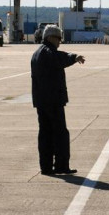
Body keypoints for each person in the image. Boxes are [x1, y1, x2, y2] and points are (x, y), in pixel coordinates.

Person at [30, 24, 85, 175]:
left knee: (45, 134)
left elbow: (58, 56)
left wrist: (71, 57)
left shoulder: (36, 53)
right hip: (52, 101)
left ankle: (46, 167)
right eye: (58, 38)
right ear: (50, 38)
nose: (60, 41)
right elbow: (59, 58)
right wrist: (74, 57)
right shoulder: (47, 53)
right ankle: (61, 165)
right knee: (60, 134)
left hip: (42, 101)